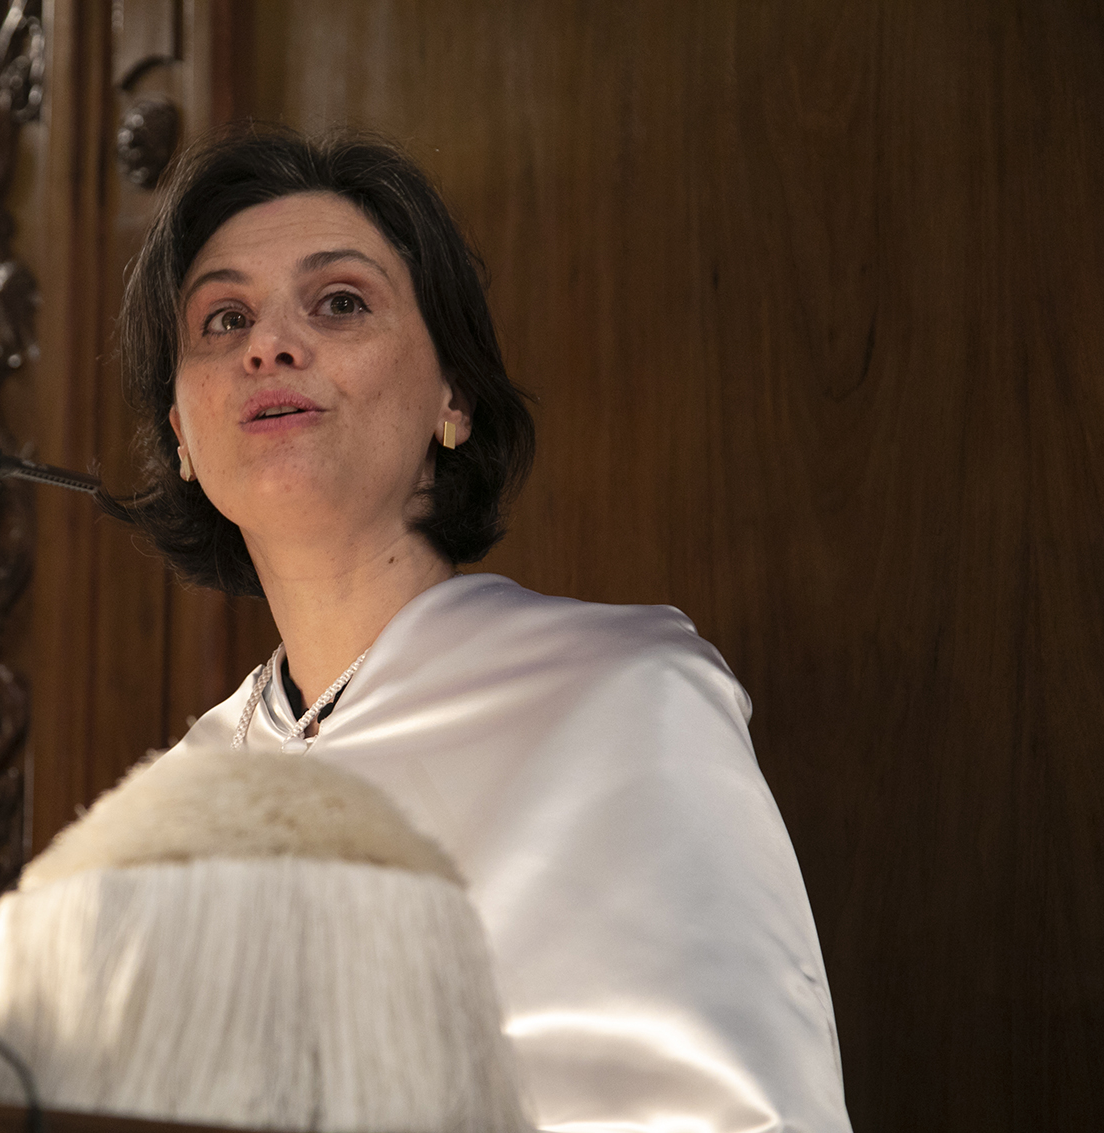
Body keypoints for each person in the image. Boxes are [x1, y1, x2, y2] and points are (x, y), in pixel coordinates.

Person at [104, 124, 852, 1132]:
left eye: (339, 302)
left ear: (452, 396)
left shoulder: (628, 700)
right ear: (181, 435)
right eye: (223, 319)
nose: (266, 346)